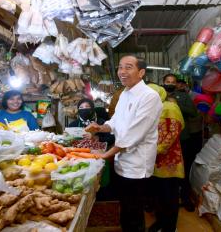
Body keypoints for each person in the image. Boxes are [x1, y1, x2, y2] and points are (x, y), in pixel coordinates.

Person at [85, 55, 163, 232]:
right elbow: (116, 122)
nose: (122, 71)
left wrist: (106, 155)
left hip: (136, 166)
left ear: (141, 72)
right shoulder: (124, 94)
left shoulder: (149, 97)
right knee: (126, 210)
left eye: (128, 67)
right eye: (120, 67)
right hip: (122, 161)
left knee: (133, 212)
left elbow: (134, 134)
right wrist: (100, 127)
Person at [147, 84, 185, 232]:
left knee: (170, 195)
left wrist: (158, 149)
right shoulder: (152, 109)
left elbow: (174, 131)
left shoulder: (170, 107)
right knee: (158, 194)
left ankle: (169, 226)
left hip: (170, 160)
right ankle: (160, 222)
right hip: (153, 160)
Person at [163, 73, 200, 211]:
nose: (170, 84)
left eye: (173, 82)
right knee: (162, 171)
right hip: (162, 140)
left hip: (181, 139)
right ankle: (158, 201)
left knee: (183, 169)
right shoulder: (158, 96)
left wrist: (177, 104)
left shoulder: (183, 96)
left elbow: (193, 112)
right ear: (163, 82)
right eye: (168, 81)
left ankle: (185, 198)